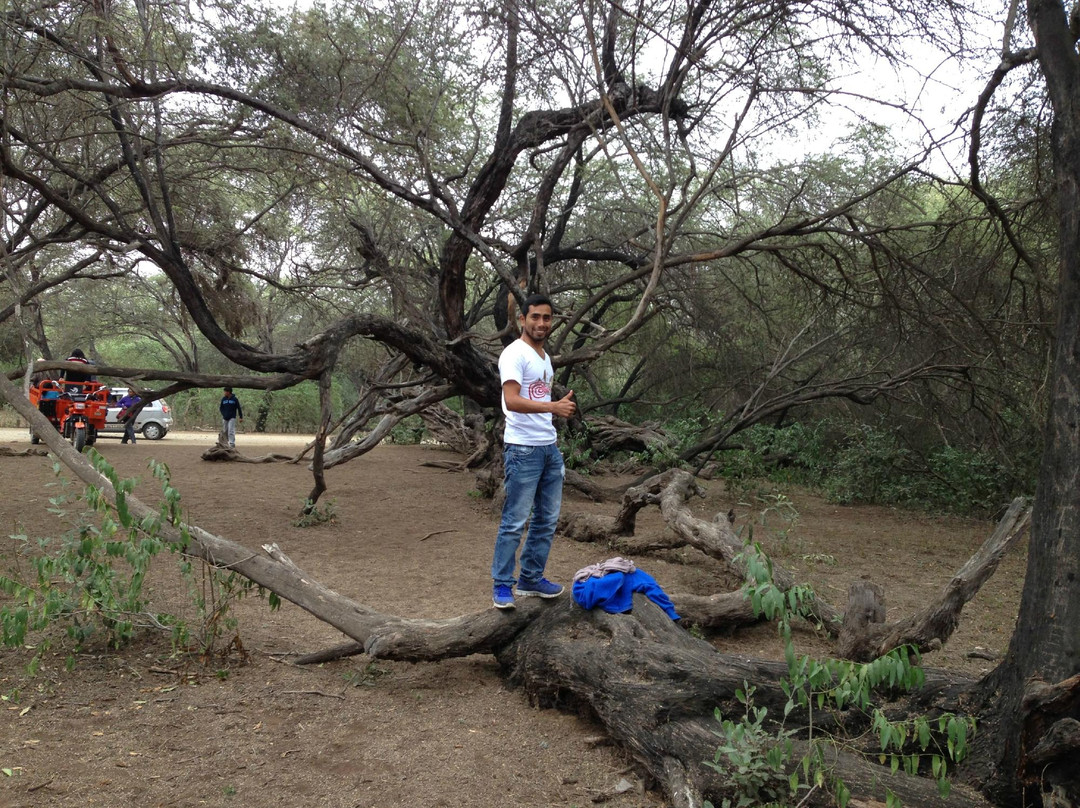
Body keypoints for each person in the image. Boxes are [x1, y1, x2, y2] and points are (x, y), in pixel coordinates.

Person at [490, 293, 577, 609]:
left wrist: (553, 410)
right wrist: (554, 406)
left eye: (547, 317)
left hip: (548, 449)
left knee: (546, 520)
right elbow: (511, 400)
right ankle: (502, 585)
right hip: (523, 450)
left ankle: (530, 578)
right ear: (522, 320)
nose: (541, 323)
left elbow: (535, 397)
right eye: (535, 317)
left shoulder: (543, 357)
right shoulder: (514, 354)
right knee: (515, 521)